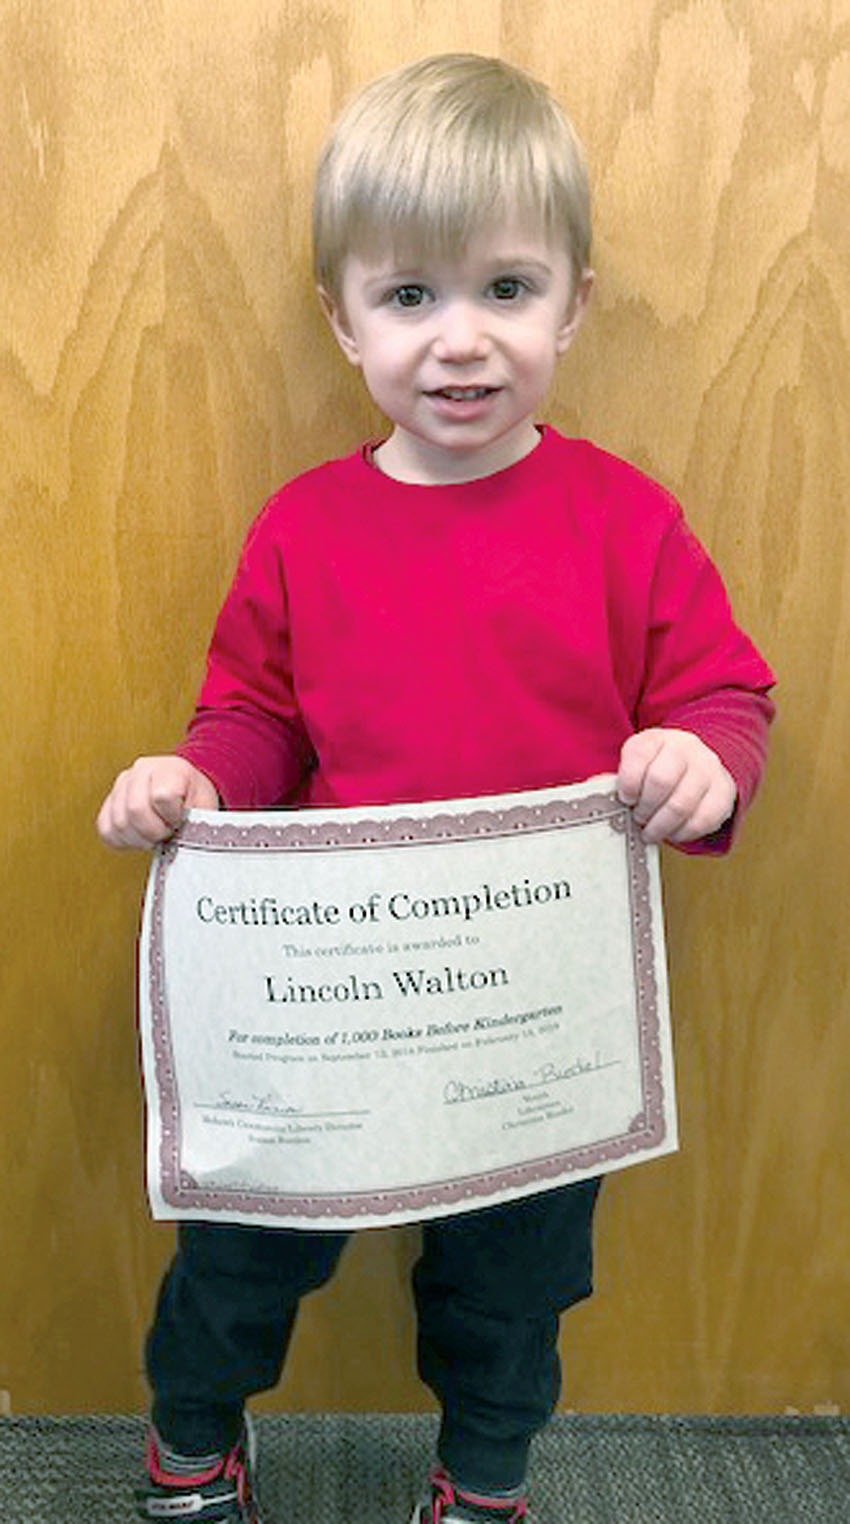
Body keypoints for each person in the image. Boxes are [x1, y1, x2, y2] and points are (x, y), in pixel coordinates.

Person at [97, 53, 775, 1524]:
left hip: (541, 1010)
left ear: (574, 304)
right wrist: (195, 782)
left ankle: (482, 1482)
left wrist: (699, 761)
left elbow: (725, 696)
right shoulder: (305, 527)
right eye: (408, 296)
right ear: (342, 320)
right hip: (328, 1000)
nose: (459, 340)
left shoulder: (624, 519)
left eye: (506, 289)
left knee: (511, 1288)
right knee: (240, 1249)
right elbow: (254, 718)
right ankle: (191, 1441)